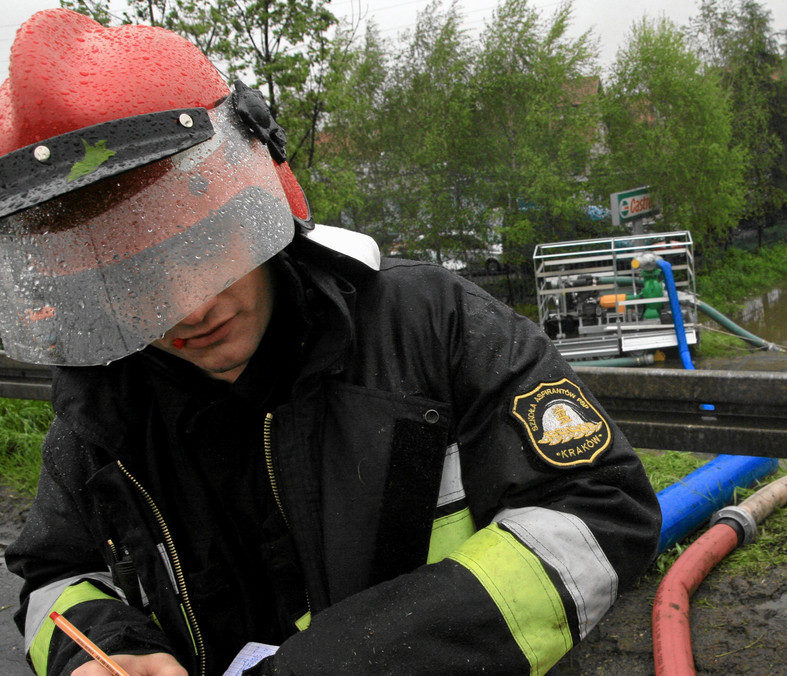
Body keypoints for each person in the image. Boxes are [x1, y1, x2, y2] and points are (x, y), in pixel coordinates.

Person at [0, 9, 661, 676]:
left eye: (203, 244)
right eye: (137, 278)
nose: (190, 307)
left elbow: (599, 513)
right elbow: (55, 575)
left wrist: (355, 660)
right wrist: (108, 650)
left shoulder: (430, 324)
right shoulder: (102, 410)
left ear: (253, 196)